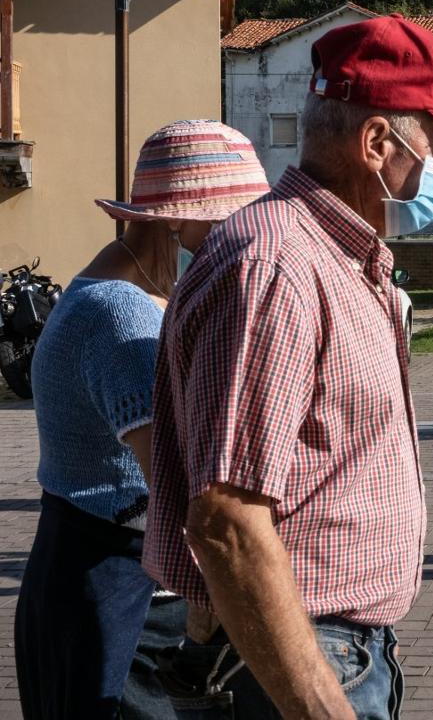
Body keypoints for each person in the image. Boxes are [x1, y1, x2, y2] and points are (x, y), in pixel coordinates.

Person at [142, 16, 433, 717]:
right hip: (304, 660)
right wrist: (321, 706)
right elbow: (225, 521)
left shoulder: (333, 257)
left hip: (330, 649)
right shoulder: (279, 266)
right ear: (377, 142)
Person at [15, 120, 269, 720]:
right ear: (178, 221)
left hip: (86, 573)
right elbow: (176, 487)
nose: (241, 243)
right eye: (232, 224)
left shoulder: (101, 292)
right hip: (117, 593)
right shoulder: (124, 318)